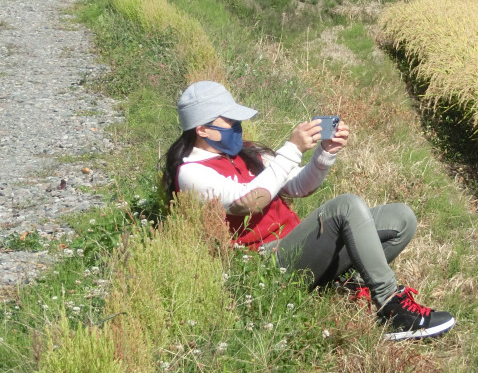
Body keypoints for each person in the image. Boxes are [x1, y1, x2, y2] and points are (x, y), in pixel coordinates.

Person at [161, 81, 455, 341]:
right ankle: (392, 307)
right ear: (202, 129)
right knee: (346, 207)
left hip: (298, 248)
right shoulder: (192, 173)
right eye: (230, 121)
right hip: (266, 265)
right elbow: (247, 202)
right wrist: (292, 148)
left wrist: (325, 153)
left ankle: (348, 286)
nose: (238, 126)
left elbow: (298, 186)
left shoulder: (246, 152)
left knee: (401, 218)